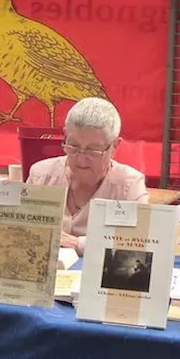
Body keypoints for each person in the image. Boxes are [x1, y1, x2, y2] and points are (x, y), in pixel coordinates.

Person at [26, 97, 149, 255]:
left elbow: (136, 245)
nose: (81, 158)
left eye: (93, 151)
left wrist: (78, 244)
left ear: (115, 146)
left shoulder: (128, 185)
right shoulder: (42, 175)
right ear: (65, 136)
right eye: (74, 146)